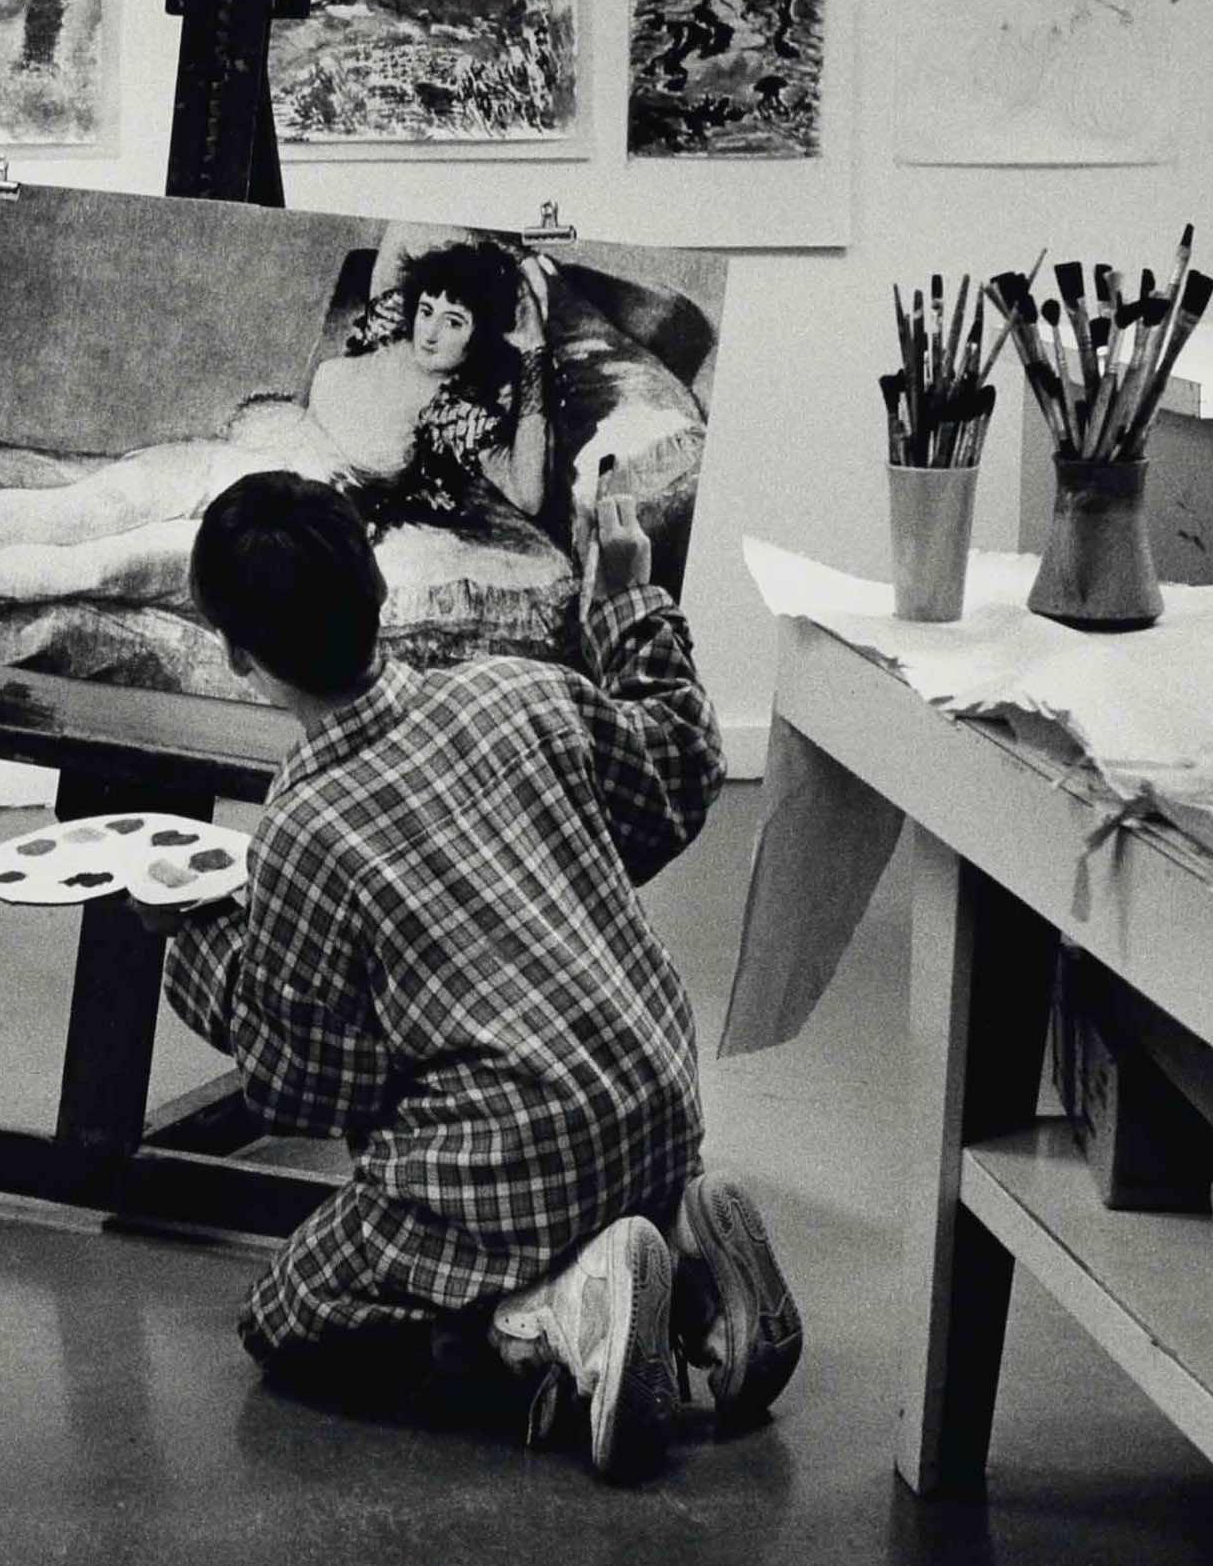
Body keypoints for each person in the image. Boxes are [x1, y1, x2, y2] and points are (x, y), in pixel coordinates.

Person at [157, 468, 800, 1482]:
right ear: (379, 587)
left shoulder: (302, 827)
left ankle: (552, 1317)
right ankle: (685, 1253)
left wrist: (194, 946)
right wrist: (626, 597)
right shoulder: (518, 689)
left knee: (290, 1315)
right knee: (557, 1166)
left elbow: (306, 1089)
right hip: (657, 1099)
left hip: (516, 1158)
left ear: (238, 653)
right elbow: (676, 772)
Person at [0, 238, 558, 620]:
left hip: (279, 515)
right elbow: (406, 234)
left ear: (481, 337)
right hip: (233, 458)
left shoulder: (456, 410)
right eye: (429, 309)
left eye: (454, 322)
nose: (430, 330)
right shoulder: (382, 331)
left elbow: (527, 493)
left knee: (108, 560)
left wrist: (531, 349)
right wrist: (506, 255)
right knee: (79, 505)